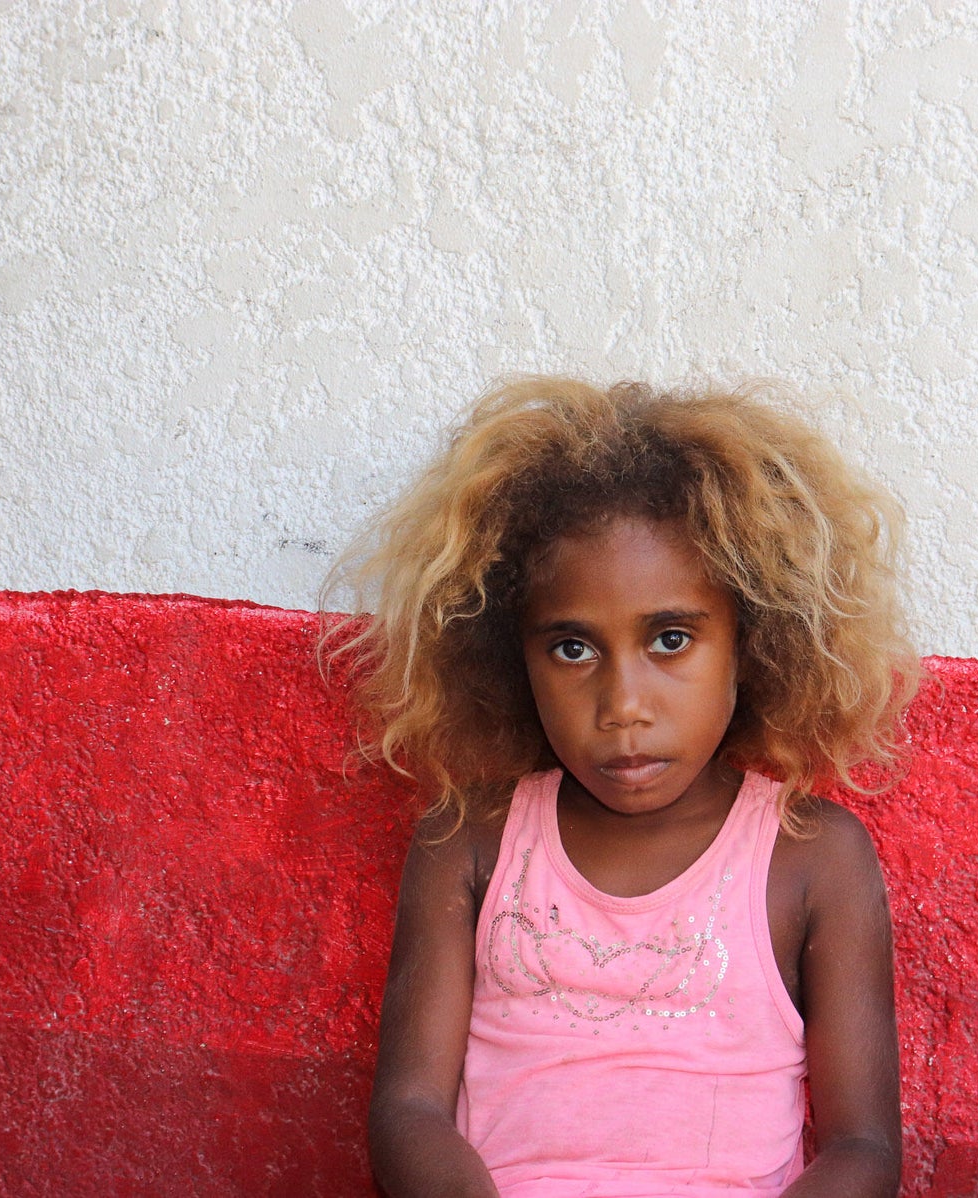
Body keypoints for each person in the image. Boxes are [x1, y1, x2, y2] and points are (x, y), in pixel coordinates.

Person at [328, 376, 919, 1197]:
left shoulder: (811, 858)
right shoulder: (470, 841)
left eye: (670, 639)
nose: (623, 706)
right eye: (572, 649)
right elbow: (408, 1112)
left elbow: (863, 1150)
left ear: (751, 646)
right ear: (512, 656)